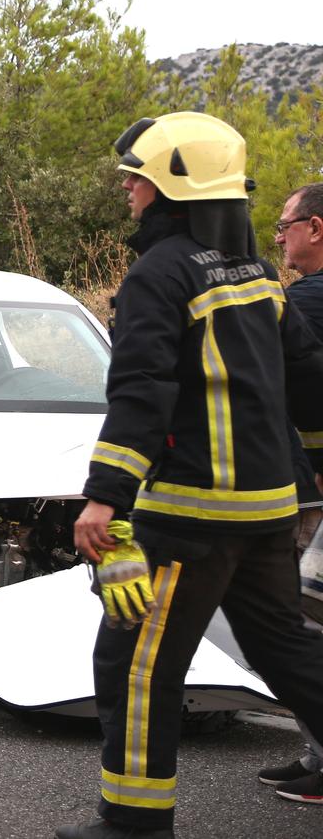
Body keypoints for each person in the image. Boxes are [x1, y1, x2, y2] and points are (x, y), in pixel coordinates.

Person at [56, 113, 323, 839]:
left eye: (137, 178)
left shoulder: (159, 274)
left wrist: (104, 498)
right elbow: (308, 385)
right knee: (287, 650)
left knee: (136, 663)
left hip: (193, 517)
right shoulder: (260, 276)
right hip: (269, 513)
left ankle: (135, 823)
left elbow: (142, 391)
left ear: (174, 188)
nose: (129, 192)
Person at [256, 180, 323, 801]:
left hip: (309, 488)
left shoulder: (308, 301)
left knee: (303, 622)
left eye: (285, 226)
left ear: (316, 228)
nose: (280, 237)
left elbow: (293, 392)